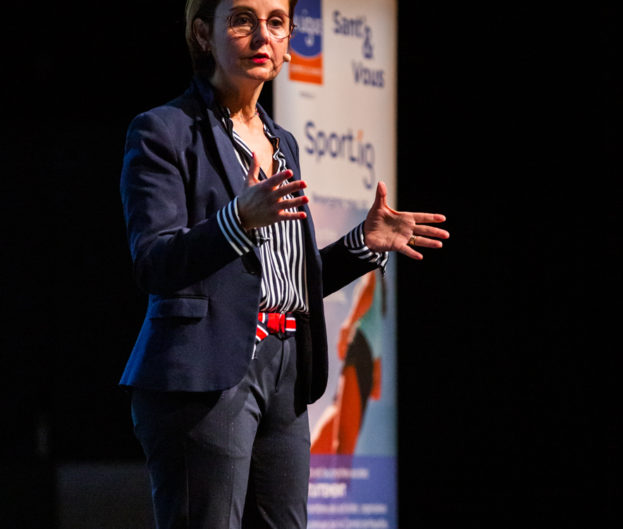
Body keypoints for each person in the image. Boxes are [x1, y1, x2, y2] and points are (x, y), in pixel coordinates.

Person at [119, 0, 449, 527]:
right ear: (203, 35)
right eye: (243, 19)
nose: (262, 36)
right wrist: (236, 220)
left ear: (289, 41)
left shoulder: (283, 143)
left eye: (276, 22)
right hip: (205, 372)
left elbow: (281, 278)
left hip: (286, 368)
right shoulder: (164, 131)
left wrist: (362, 244)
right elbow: (154, 261)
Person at [310, 269, 385, 455]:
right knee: (331, 435)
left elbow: (368, 290)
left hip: (362, 350)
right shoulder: (380, 281)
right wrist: (377, 367)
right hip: (366, 354)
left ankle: (339, 483)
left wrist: (347, 325)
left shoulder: (373, 266)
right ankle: (302, 480)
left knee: (343, 446)